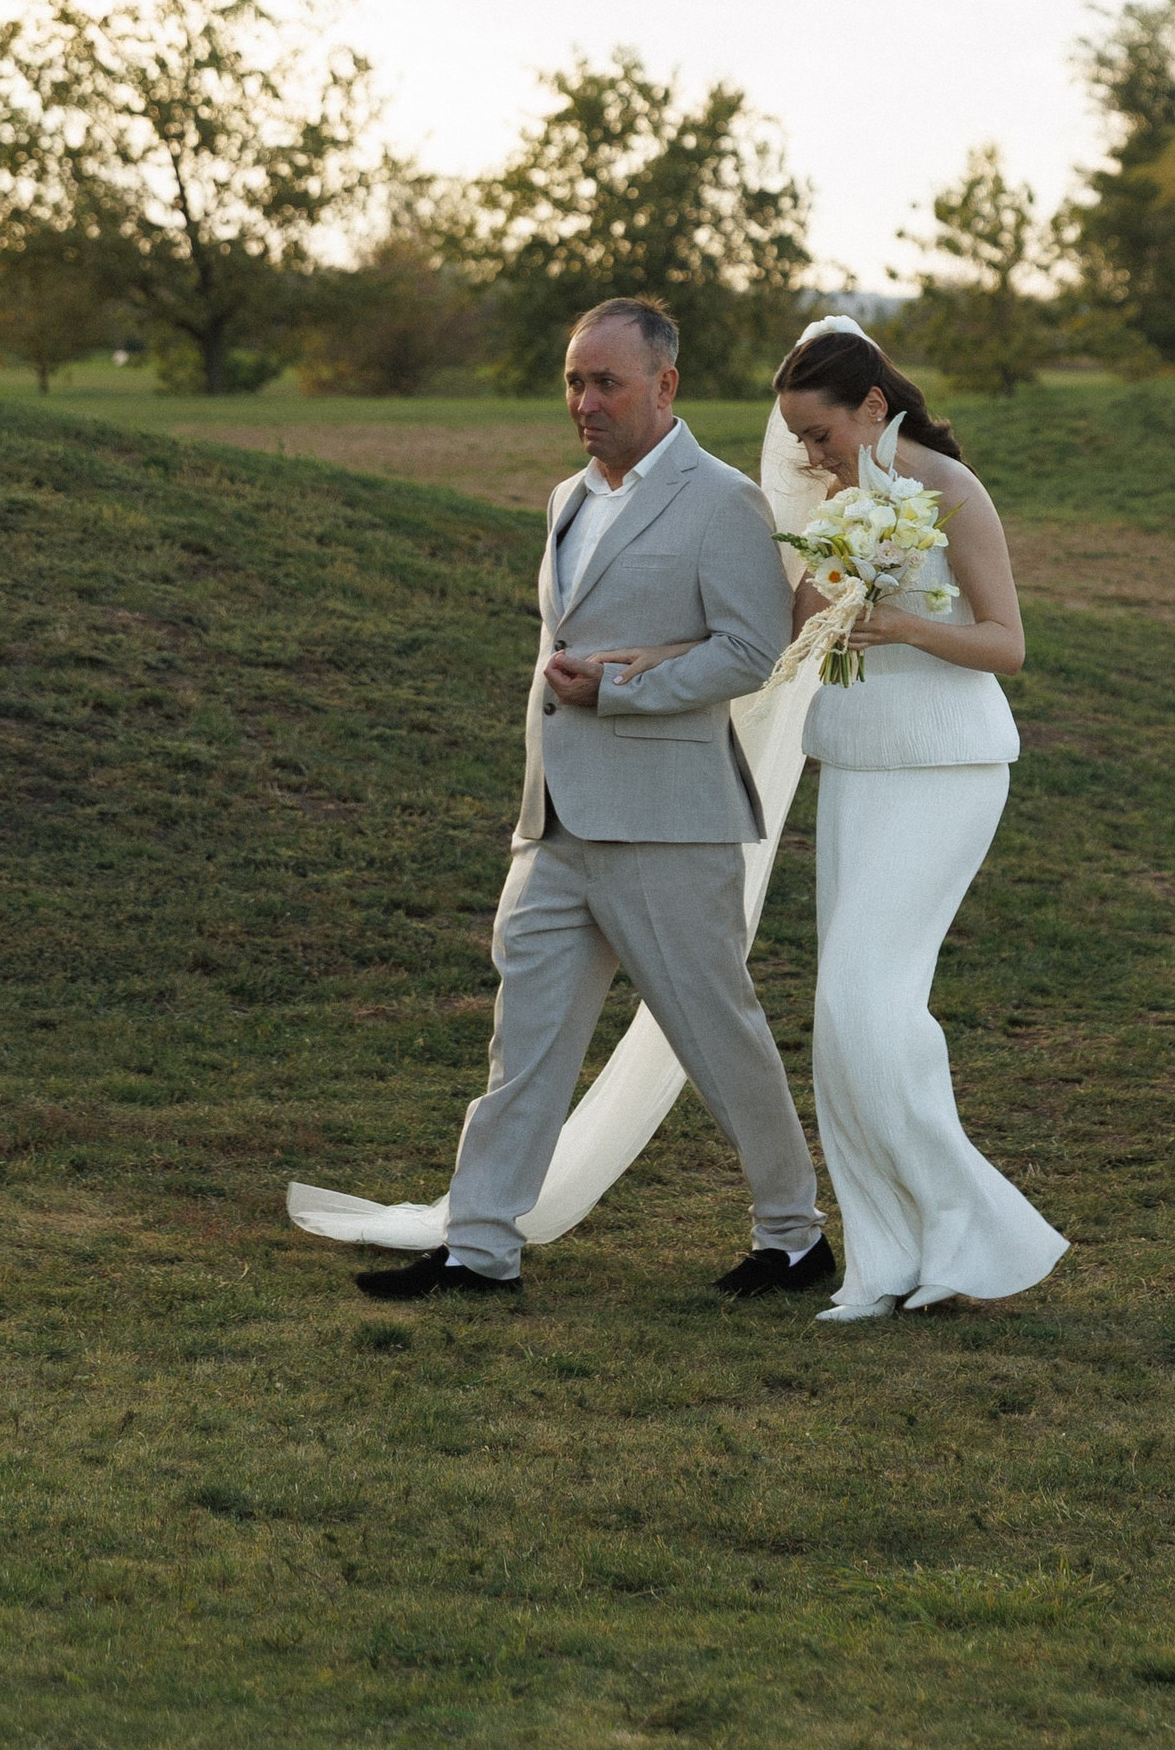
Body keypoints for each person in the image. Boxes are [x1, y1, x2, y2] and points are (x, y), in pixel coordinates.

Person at [354, 297, 832, 1304]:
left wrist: (618, 687)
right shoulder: (566, 496)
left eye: (604, 381)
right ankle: (480, 1246)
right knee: (521, 1043)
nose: (584, 401)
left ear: (664, 385)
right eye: (574, 380)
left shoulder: (722, 501)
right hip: (555, 822)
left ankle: (793, 1236)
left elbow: (752, 651)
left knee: (716, 1035)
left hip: (668, 821)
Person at [767, 319, 1068, 1323]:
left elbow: (1006, 643)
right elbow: (806, 619)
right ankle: (886, 1256)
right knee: (841, 1022)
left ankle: (973, 1228)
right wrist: (830, 562)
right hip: (857, 763)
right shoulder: (846, 494)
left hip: (948, 764)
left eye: (820, 434)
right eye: (800, 441)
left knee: (869, 1002)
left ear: (869, 406)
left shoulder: (951, 489)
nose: (811, 455)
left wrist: (900, 621)